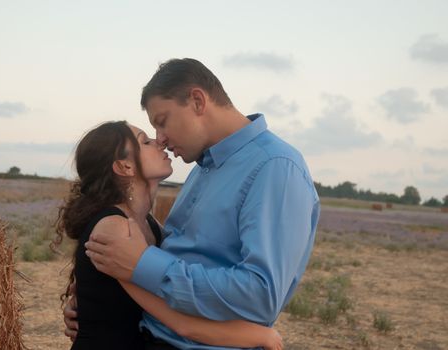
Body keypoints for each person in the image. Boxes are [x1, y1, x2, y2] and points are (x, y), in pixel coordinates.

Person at [67, 58, 320, 349]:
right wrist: (96, 306)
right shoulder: (203, 166)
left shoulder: (274, 166)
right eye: (150, 134)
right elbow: (177, 256)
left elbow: (259, 296)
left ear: (198, 101)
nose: (160, 139)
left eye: (162, 122)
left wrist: (142, 265)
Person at [55, 121, 283, 349]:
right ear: (125, 167)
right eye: (145, 142)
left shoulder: (147, 223)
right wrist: (259, 336)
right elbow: (179, 322)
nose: (159, 142)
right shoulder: (115, 228)